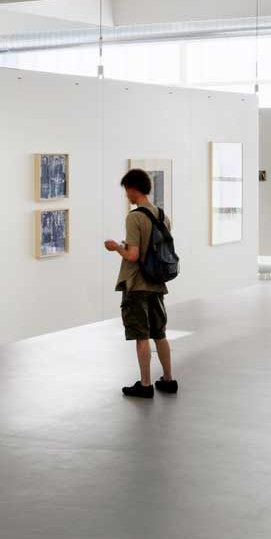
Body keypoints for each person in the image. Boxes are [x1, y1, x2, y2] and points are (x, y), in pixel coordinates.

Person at [100, 168, 177, 400]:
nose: (126, 195)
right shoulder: (162, 216)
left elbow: (133, 255)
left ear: (133, 189)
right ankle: (168, 380)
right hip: (157, 283)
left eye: (127, 190)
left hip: (137, 284)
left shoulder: (134, 217)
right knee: (160, 334)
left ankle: (145, 384)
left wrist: (116, 247)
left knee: (141, 335)